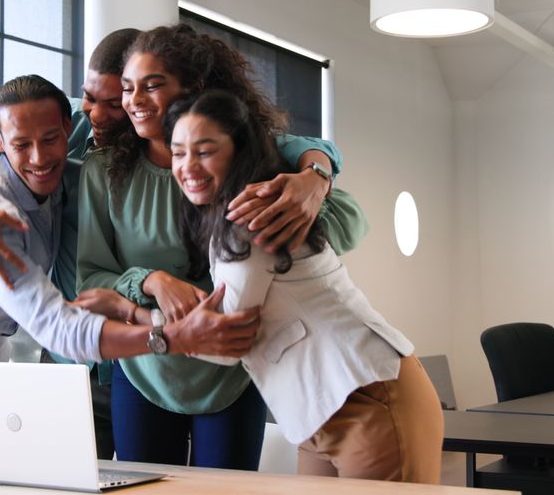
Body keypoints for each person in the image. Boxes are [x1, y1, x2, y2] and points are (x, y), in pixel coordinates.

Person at [0, 75, 261, 446]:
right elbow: (56, 328)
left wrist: (313, 174)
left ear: (69, 127)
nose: (39, 157)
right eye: (22, 145)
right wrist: (168, 337)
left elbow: (272, 141)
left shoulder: (67, 173)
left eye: (50, 139)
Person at [76, 23, 369, 470]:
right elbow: (91, 276)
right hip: (146, 367)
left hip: (234, 369)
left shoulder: (243, 159)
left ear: (193, 88)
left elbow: (350, 222)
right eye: (128, 89)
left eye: (152, 86)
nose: (134, 102)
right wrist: (151, 281)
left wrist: (316, 180)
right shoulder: (103, 172)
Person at [164, 90, 443, 482]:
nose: (188, 166)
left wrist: (140, 321)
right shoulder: (226, 217)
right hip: (321, 410)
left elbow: (228, 341)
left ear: (240, 149)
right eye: (178, 153)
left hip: (367, 398)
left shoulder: (253, 215)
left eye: (204, 151)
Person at [0, 28, 141, 458]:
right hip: (55, 354)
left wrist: (316, 170)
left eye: (113, 104)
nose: (96, 114)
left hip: (13, 351)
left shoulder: (177, 149)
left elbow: (289, 145)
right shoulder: (4, 205)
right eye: (89, 98)